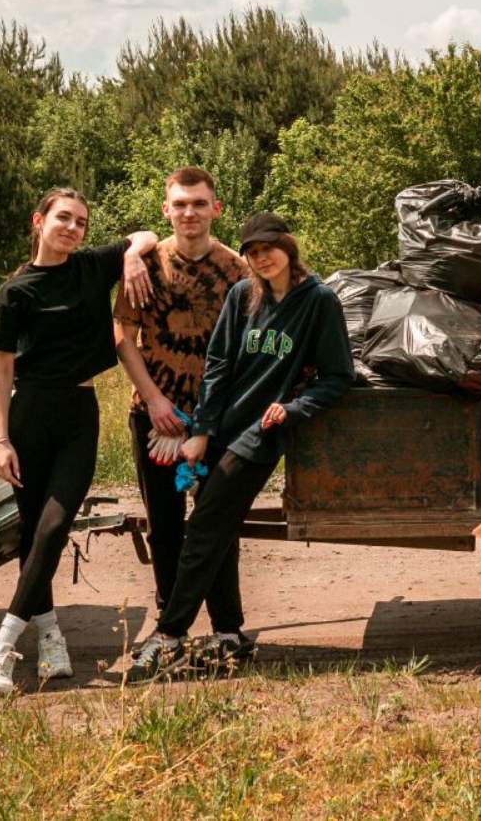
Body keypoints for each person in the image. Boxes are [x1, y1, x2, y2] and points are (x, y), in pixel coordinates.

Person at [127, 213, 353, 678]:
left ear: (287, 246)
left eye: (268, 247)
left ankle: (169, 635)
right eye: (252, 252)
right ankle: (230, 633)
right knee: (219, 531)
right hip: (221, 428)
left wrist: (294, 409)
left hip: (261, 435)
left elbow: (338, 376)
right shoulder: (242, 296)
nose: (261, 257)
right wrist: (203, 431)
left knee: (204, 529)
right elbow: (217, 365)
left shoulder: (318, 302)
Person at [0, 188, 157, 695]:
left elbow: (147, 233)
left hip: (79, 414)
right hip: (30, 414)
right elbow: (2, 372)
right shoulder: (15, 293)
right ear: (38, 221)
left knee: (55, 525)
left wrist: (133, 258)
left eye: (81, 222)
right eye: (63, 219)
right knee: (35, 533)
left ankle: (1, 648)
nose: (73, 228)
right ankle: (50, 635)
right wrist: (2, 439)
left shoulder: (93, 266)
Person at [112, 167, 246, 653]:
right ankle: (171, 630)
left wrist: (209, 420)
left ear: (216, 208)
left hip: (216, 420)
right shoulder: (143, 265)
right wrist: (153, 400)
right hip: (156, 416)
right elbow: (122, 335)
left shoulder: (238, 271)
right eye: (180, 204)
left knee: (216, 526)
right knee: (164, 526)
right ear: (166, 210)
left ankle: (228, 629)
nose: (189, 212)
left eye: (198, 203)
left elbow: (244, 353)